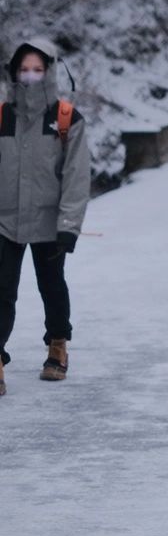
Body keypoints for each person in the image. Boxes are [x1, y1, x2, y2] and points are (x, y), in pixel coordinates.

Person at [0, 39, 90, 390]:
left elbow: (76, 176)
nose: (31, 76)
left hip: (50, 221)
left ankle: (58, 346)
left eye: (38, 69)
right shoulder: (3, 116)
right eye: (24, 69)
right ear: (13, 72)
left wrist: (69, 226)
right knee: (1, 289)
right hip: (5, 221)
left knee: (51, 285)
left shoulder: (66, 119)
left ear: (50, 72)